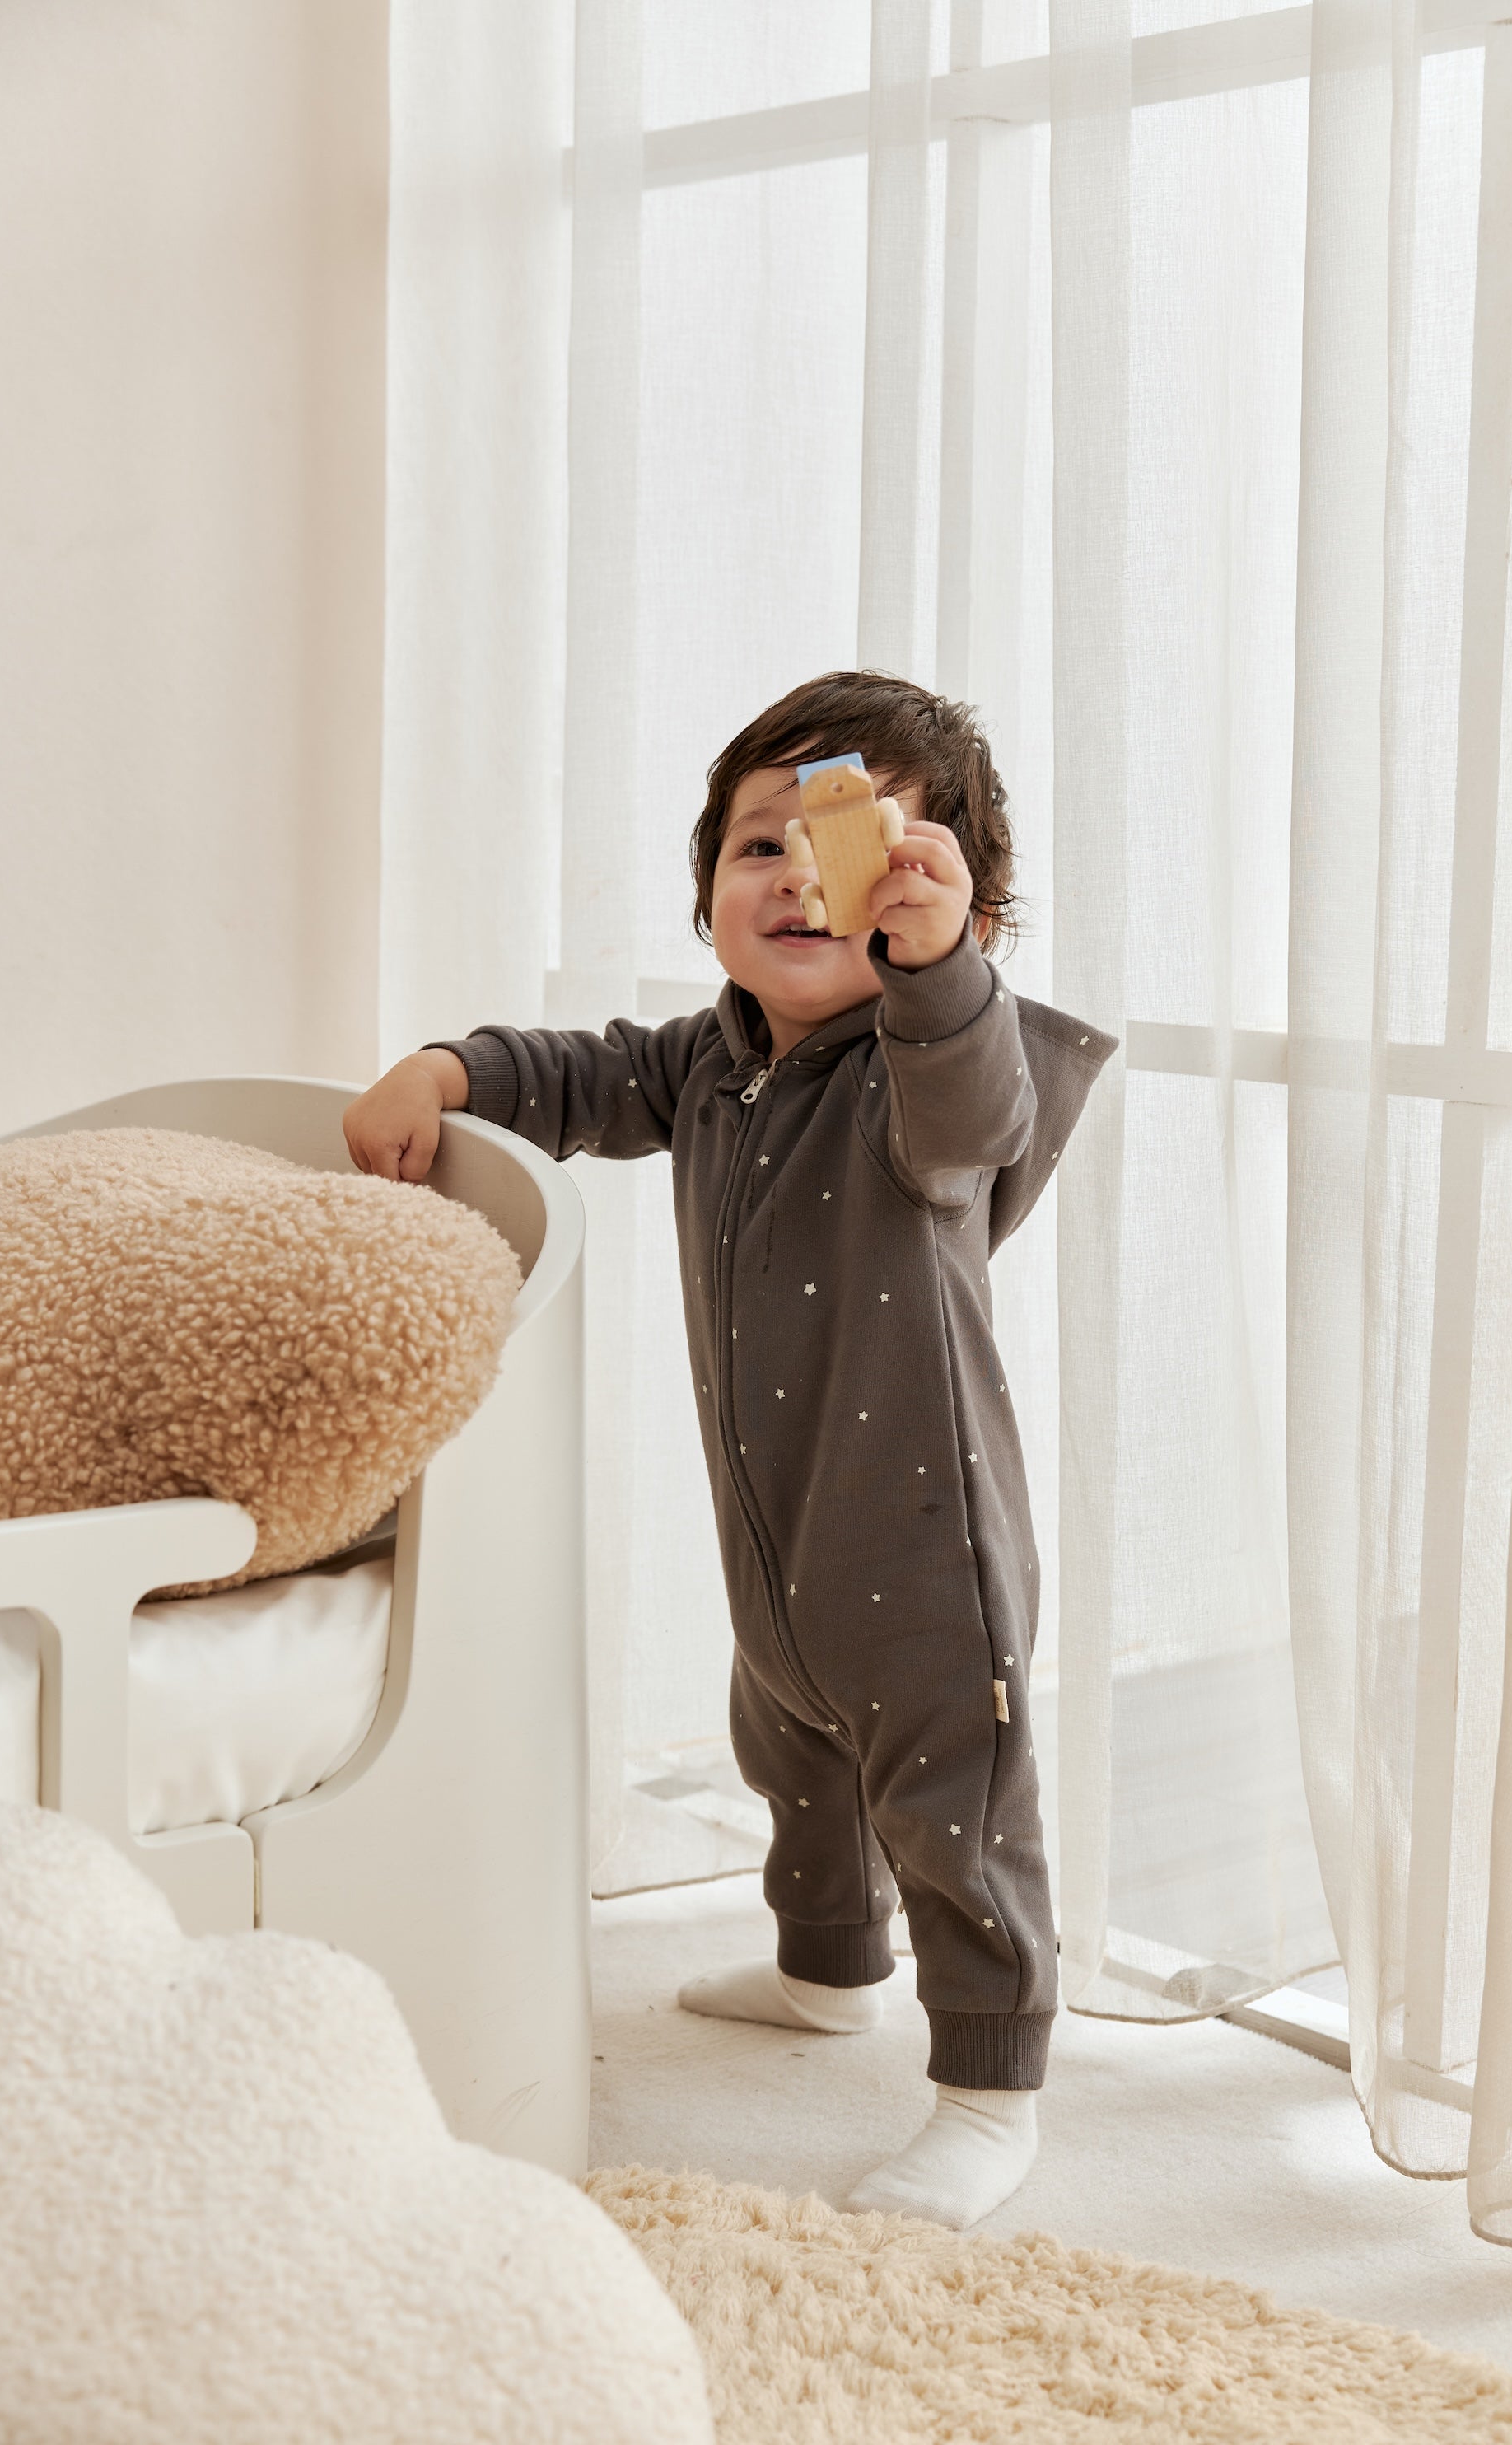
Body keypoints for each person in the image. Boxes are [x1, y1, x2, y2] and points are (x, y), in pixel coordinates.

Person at [343, 670, 1117, 2229]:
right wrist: (448, 1069)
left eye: (856, 850)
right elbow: (572, 1077)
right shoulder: (708, 1063)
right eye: (759, 845)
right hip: (773, 1530)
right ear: (707, 898)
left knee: (950, 1804)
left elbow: (978, 1112)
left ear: (937, 906)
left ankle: (988, 2086)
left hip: (921, 1539)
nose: (798, 875)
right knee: (793, 1754)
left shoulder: (928, 1079)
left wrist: (943, 966)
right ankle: (827, 1972)